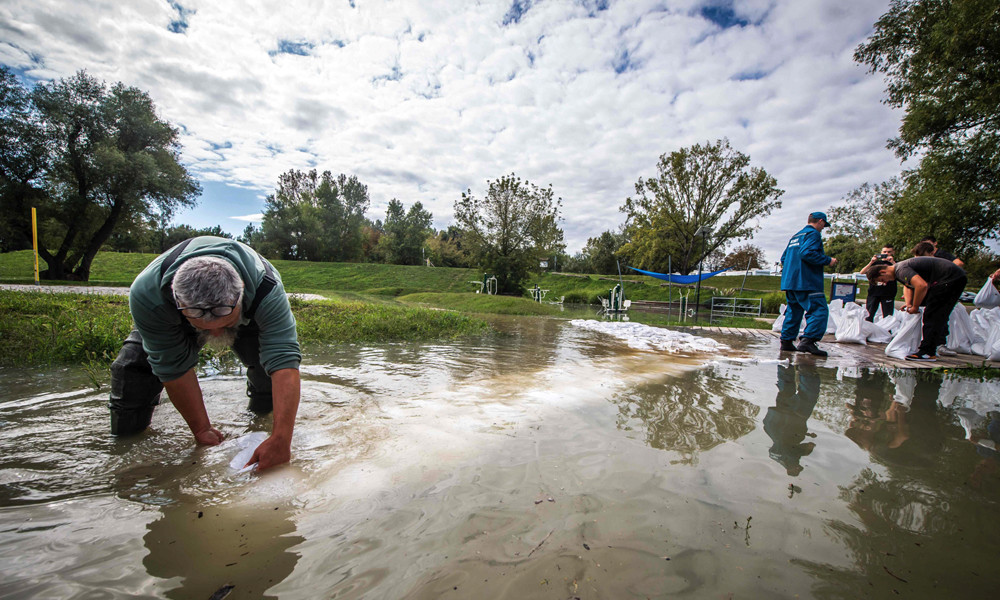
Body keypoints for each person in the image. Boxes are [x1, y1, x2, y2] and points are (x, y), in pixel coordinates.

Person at [108, 236, 301, 470]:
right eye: (205, 325)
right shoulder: (148, 294)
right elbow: (172, 367)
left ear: (241, 296)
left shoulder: (266, 289)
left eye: (224, 323)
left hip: (248, 314)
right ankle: (126, 445)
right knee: (131, 371)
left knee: (266, 374)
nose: (216, 334)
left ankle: (259, 420)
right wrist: (202, 429)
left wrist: (281, 438)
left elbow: (284, 363)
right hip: (171, 318)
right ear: (177, 300)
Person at [866, 255, 967, 362]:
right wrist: (910, 304)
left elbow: (921, 285)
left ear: (883, 272)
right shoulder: (899, 271)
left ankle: (927, 352)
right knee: (933, 311)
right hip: (950, 279)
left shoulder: (900, 269)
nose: (885, 283)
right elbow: (909, 286)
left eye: (882, 280)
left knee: (933, 315)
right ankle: (931, 348)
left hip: (950, 279)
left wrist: (915, 306)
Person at [779, 211, 838, 356]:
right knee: (819, 310)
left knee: (794, 310)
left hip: (790, 282)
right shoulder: (813, 234)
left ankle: (786, 341)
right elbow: (806, 253)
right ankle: (808, 341)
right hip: (807, 281)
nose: (823, 228)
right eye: (823, 225)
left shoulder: (796, 236)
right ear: (820, 222)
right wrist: (827, 260)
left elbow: (783, 258)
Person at [859, 244, 897, 322]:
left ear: (893, 253)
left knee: (888, 315)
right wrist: (871, 262)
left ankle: (887, 330)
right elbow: (862, 272)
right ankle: (867, 328)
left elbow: (900, 271)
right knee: (869, 314)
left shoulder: (894, 264)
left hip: (888, 292)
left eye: (889, 252)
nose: (886, 254)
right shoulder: (875, 263)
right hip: (874, 292)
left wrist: (893, 262)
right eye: (884, 252)